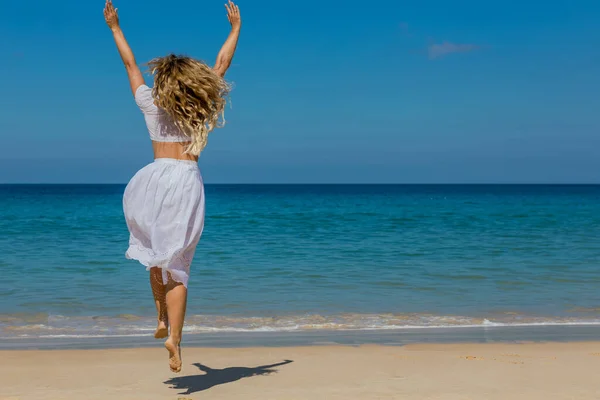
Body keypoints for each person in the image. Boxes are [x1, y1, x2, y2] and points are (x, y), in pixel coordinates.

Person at [103, 0, 241, 373]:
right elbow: (223, 64)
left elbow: (131, 66)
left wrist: (115, 26)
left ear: (163, 80)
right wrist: (234, 30)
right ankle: (174, 339)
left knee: (153, 254)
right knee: (177, 266)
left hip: (151, 180)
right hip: (184, 182)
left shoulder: (150, 104)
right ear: (193, 83)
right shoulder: (200, 107)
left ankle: (160, 317)